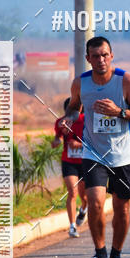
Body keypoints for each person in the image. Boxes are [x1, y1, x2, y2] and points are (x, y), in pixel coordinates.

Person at [65, 36, 130, 258]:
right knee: (96, 202)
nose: (101, 60)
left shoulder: (125, 80)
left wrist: (119, 112)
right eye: (95, 56)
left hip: (122, 154)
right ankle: (99, 252)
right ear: (88, 58)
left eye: (105, 55)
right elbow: (74, 106)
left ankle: (116, 254)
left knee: (121, 210)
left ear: (111, 56)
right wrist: (69, 118)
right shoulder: (81, 83)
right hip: (94, 152)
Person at [52, 98, 87, 237]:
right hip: (68, 161)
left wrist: (79, 145)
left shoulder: (87, 120)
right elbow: (57, 137)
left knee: (84, 196)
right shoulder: (61, 122)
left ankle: (84, 209)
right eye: (68, 110)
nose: (70, 113)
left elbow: (95, 142)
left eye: (74, 109)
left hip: (85, 161)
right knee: (72, 192)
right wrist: (56, 141)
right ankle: (72, 226)